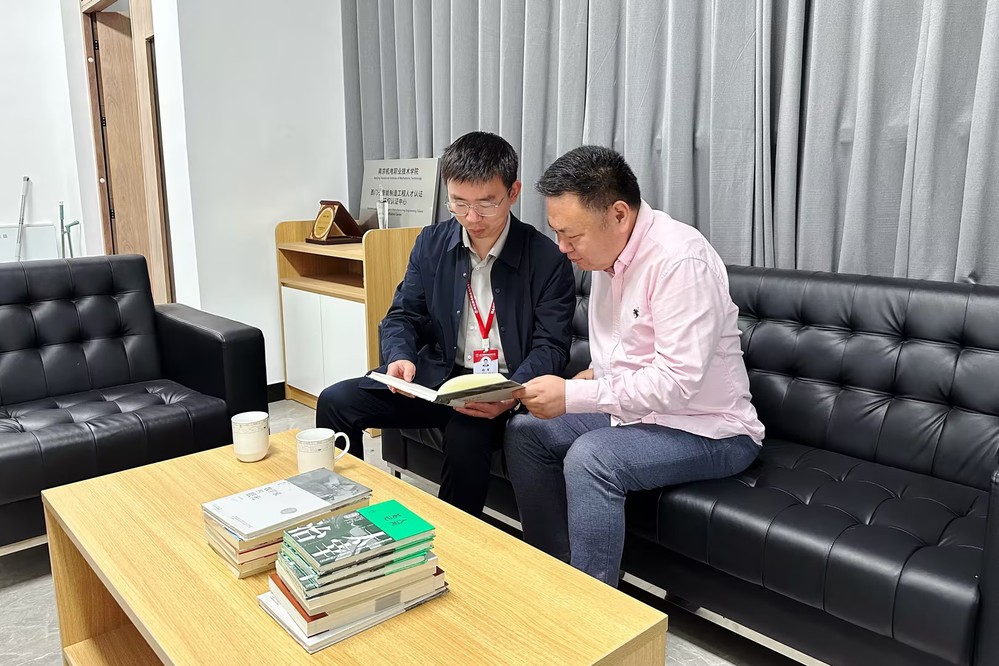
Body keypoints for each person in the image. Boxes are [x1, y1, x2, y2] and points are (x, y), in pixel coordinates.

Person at [505, 145, 764, 586]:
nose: (563, 249)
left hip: (710, 429)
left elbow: (677, 383)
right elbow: (628, 350)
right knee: (527, 432)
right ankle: (557, 576)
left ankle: (594, 608)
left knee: (592, 458)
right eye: (557, 234)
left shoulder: (679, 260)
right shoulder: (608, 256)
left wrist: (575, 395)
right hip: (638, 415)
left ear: (619, 214)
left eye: (572, 236)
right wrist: (595, 375)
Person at [316, 131, 576, 516]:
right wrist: (399, 357)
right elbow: (403, 315)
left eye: (486, 203)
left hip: (499, 390)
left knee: (467, 438)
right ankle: (343, 515)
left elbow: (551, 347)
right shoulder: (432, 243)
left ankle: (452, 539)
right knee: (335, 402)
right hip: (438, 379)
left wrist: (512, 393)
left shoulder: (547, 259)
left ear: (513, 192)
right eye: (458, 202)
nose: (471, 218)